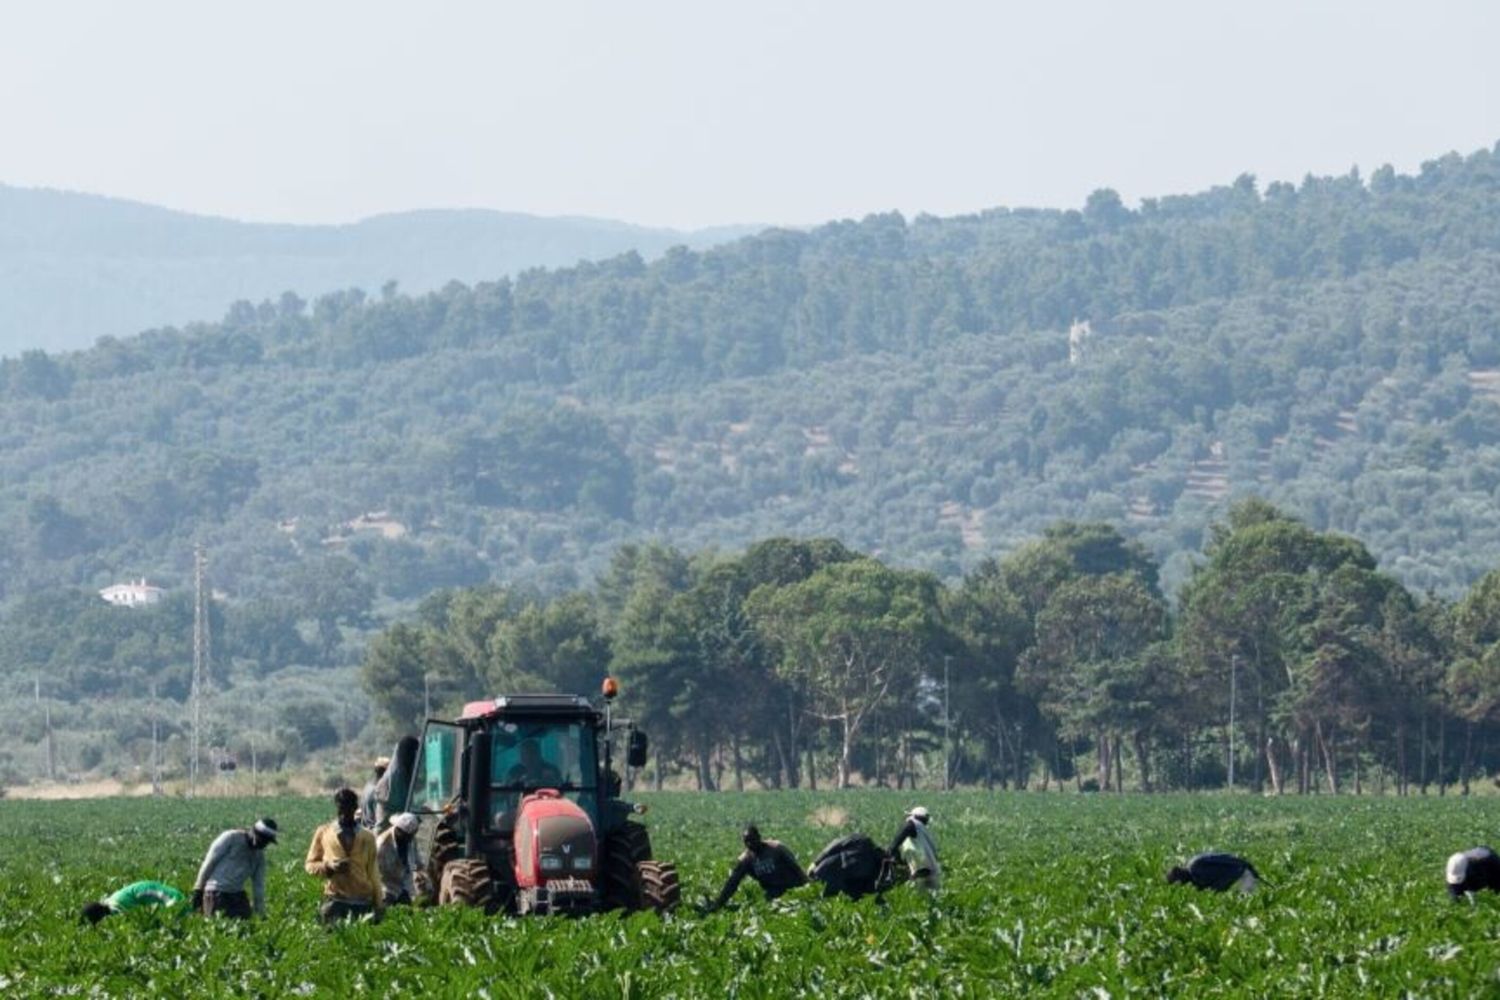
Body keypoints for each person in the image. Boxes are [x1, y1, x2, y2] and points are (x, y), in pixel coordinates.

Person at [305, 787, 383, 923]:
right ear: (337, 808)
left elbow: (373, 872)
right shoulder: (324, 832)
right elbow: (310, 865)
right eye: (341, 809)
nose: (344, 814)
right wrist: (328, 867)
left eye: (348, 809)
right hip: (335, 900)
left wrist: (378, 903)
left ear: (355, 808)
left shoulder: (367, 837)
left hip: (362, 901)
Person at [700, 824, 807, 912]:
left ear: (759, 837)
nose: (750, 844)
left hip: (792, 887)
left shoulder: (776, 849)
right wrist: (719, 903)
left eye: (752, 840)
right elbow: (733, 882)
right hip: (773, 892)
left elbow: (796, 868)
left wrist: (807, 887)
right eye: (746, 841)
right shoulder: (747, 859)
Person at [192, 818, 279, 919]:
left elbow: (258, 886)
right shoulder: (231, 838)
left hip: (237, 894)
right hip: (216, 891)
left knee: (245, 926)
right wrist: (198, 889)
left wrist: (260, 913)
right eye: (261, 840)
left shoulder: (259, 857)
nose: (263, 845)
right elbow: (209, 862)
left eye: (266, 842)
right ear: (254, 832)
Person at [807, 832, 893, 900]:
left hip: (836, 887)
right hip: (826, 871)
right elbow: (836, 844)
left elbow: (860, 891)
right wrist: (815, 862)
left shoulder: (874, 871)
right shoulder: (863, 841)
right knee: (811, 892)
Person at [887, 805, 942, 891]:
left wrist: (891, 852)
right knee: (932, 895)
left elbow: (896, 841)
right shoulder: (923, 831)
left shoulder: (913, 824)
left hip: (919, 868)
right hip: (931, 868)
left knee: (917, 894)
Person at [81, 881, 185, 924]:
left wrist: (170, 904)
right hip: (155, 897)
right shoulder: (112, 903)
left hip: (171, 898)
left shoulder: (118, 905)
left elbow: (154, 891)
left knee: (182, 915)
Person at [376, 812, 423, 905]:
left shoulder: (410, 840)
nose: (411, 839)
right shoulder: (383, 845)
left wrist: (420, 871)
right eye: (409, 837)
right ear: (399, 831)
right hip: (387, 885)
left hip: (404, 883)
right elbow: (378, 872)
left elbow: (417, 860)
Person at [1166, 852, 1262, 893]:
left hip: (1242, 873)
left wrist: (1245, 864)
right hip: (1239, 873)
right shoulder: (1195, 873)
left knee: (1245, 904)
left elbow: (1223, 859)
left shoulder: (1196, 868)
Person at [361, 756, 390, 830]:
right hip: (375, 832)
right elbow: (379, 818)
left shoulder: (368, 786)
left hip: (366, 830)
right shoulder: (379, 790)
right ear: (386, 772)